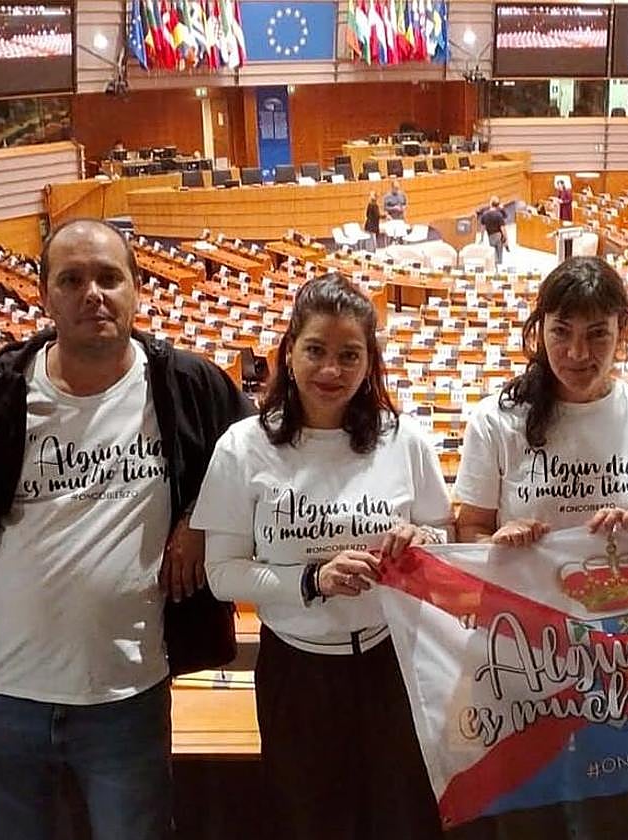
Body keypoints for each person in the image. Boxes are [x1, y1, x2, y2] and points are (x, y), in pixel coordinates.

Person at [0, 218, 250, 840]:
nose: (91, 294)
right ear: (44, 295)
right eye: (71, 280)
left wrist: (198, 520)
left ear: (136, 289)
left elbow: (257, 465)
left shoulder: (187, 387)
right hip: (0, 697)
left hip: (127, 698)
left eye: (108, 277)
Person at [192, 275, 450, 840]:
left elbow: (441, 534)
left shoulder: (404, 440)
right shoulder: (244, 446)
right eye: (315, 351)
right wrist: (312, 579)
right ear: (289, 351)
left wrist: (424, 544)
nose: (330, 371)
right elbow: (220, 573)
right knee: (308, 821)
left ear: (370, 361)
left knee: (402, 817)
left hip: (394, 668)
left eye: (348, 355)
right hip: (298, 673)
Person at [454, 256, 628, 839]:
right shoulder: (496, 421)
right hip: (525, 649)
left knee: (612, 818)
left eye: (597, 335)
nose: (578, 353)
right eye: (561, 332)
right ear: (539, 331)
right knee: (527, 820)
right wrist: (498, 541)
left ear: (623, 333)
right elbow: (469, 531)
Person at [479, 196, 508, 266]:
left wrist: (482, 238)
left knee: (493, 253)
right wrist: (505, 238)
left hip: (491, 236)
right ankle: (499, 265)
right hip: (499, 235)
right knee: (499, 253)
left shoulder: (485, 214)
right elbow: (503, 228)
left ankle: (495, 265)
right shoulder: (499, 215)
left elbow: (483, 228)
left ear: (490, 203)